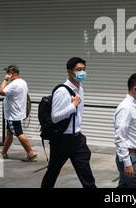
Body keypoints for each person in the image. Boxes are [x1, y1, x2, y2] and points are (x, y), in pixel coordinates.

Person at [41, 57, 96, 188]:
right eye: (79, 69)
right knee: (53, 172)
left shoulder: (80, 89)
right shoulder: (62, 91)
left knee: (87, 176)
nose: (82, 72)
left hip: (77, 139)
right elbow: (55, 117)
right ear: (70, 72)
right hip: (61, 141)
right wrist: (73, 105)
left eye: (84, 69)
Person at [0, 65, 37, 162]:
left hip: (13, 114)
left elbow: (1, 92)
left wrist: (5, 80)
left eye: (8, 73)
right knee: (9, 133)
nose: (7, 74)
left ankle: (31, 153)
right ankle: (3, 153)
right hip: (16, 112)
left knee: (19, 133)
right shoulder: (23, 82)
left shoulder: (14, 84)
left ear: (11, 74)